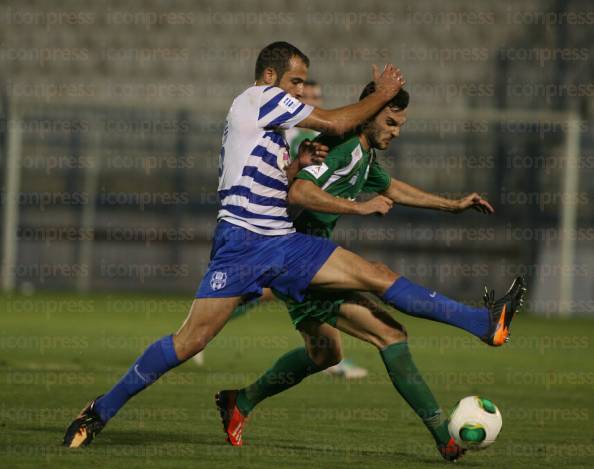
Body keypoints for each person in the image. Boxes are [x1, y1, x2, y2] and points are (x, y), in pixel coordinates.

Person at [63, 42, 524, 462]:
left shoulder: (274, 127)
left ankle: (484, 325)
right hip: (241, 244)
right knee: (189, 343)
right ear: (269, 77)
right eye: (296, 81)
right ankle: (98, 412)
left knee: (373, 282)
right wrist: (381, 95)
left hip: (283, 242)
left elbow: (285, 189)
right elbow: (338, 124)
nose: (302, 90)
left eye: (303, 82)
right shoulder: (259, 99)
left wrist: (298, 164)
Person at [214, 83, 525, 461]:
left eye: (400, 125)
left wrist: (452, 205)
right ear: (369, 112)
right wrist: (360, 208)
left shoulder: (363, 157)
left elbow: (394, 188)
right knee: (385, 311)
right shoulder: (343, 147)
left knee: (325, 353)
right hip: (296, 259)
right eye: (390, 122)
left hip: (302, 262)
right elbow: (298, 192)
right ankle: (482, 327)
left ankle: (240, 402)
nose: (395, 131)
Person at [194, 79, 369, 380]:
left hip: (297, 229)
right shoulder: (295, 134)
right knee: (287, 291)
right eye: (306, 93)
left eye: (315, 96)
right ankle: (201, 332)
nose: (310, 99)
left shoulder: (310, 136)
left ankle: (202, 331)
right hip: (282, 230)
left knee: (267, 292)